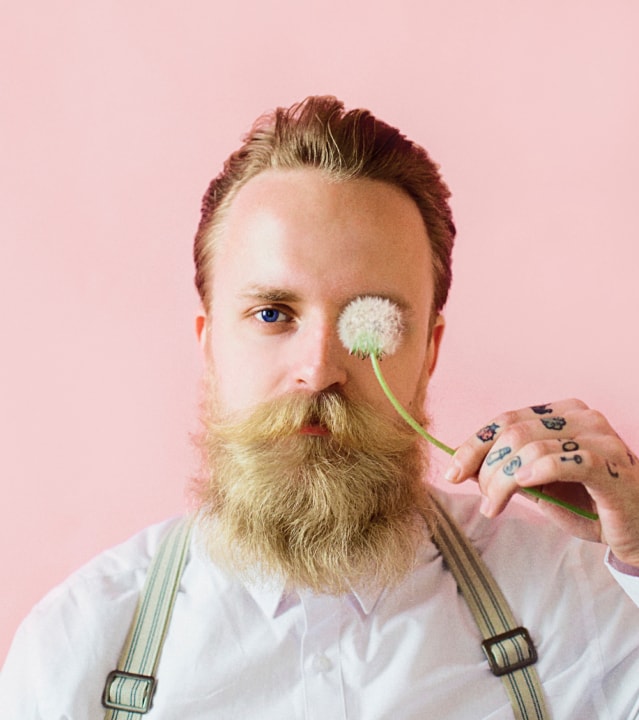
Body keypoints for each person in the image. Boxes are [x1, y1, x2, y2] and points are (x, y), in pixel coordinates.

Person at [1, 95, 638, 719]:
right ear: (209, 344)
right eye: (272, 314)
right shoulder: (76, 649)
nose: (320, 370)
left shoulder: (580, 605)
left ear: (429, 351)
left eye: (373, 321)